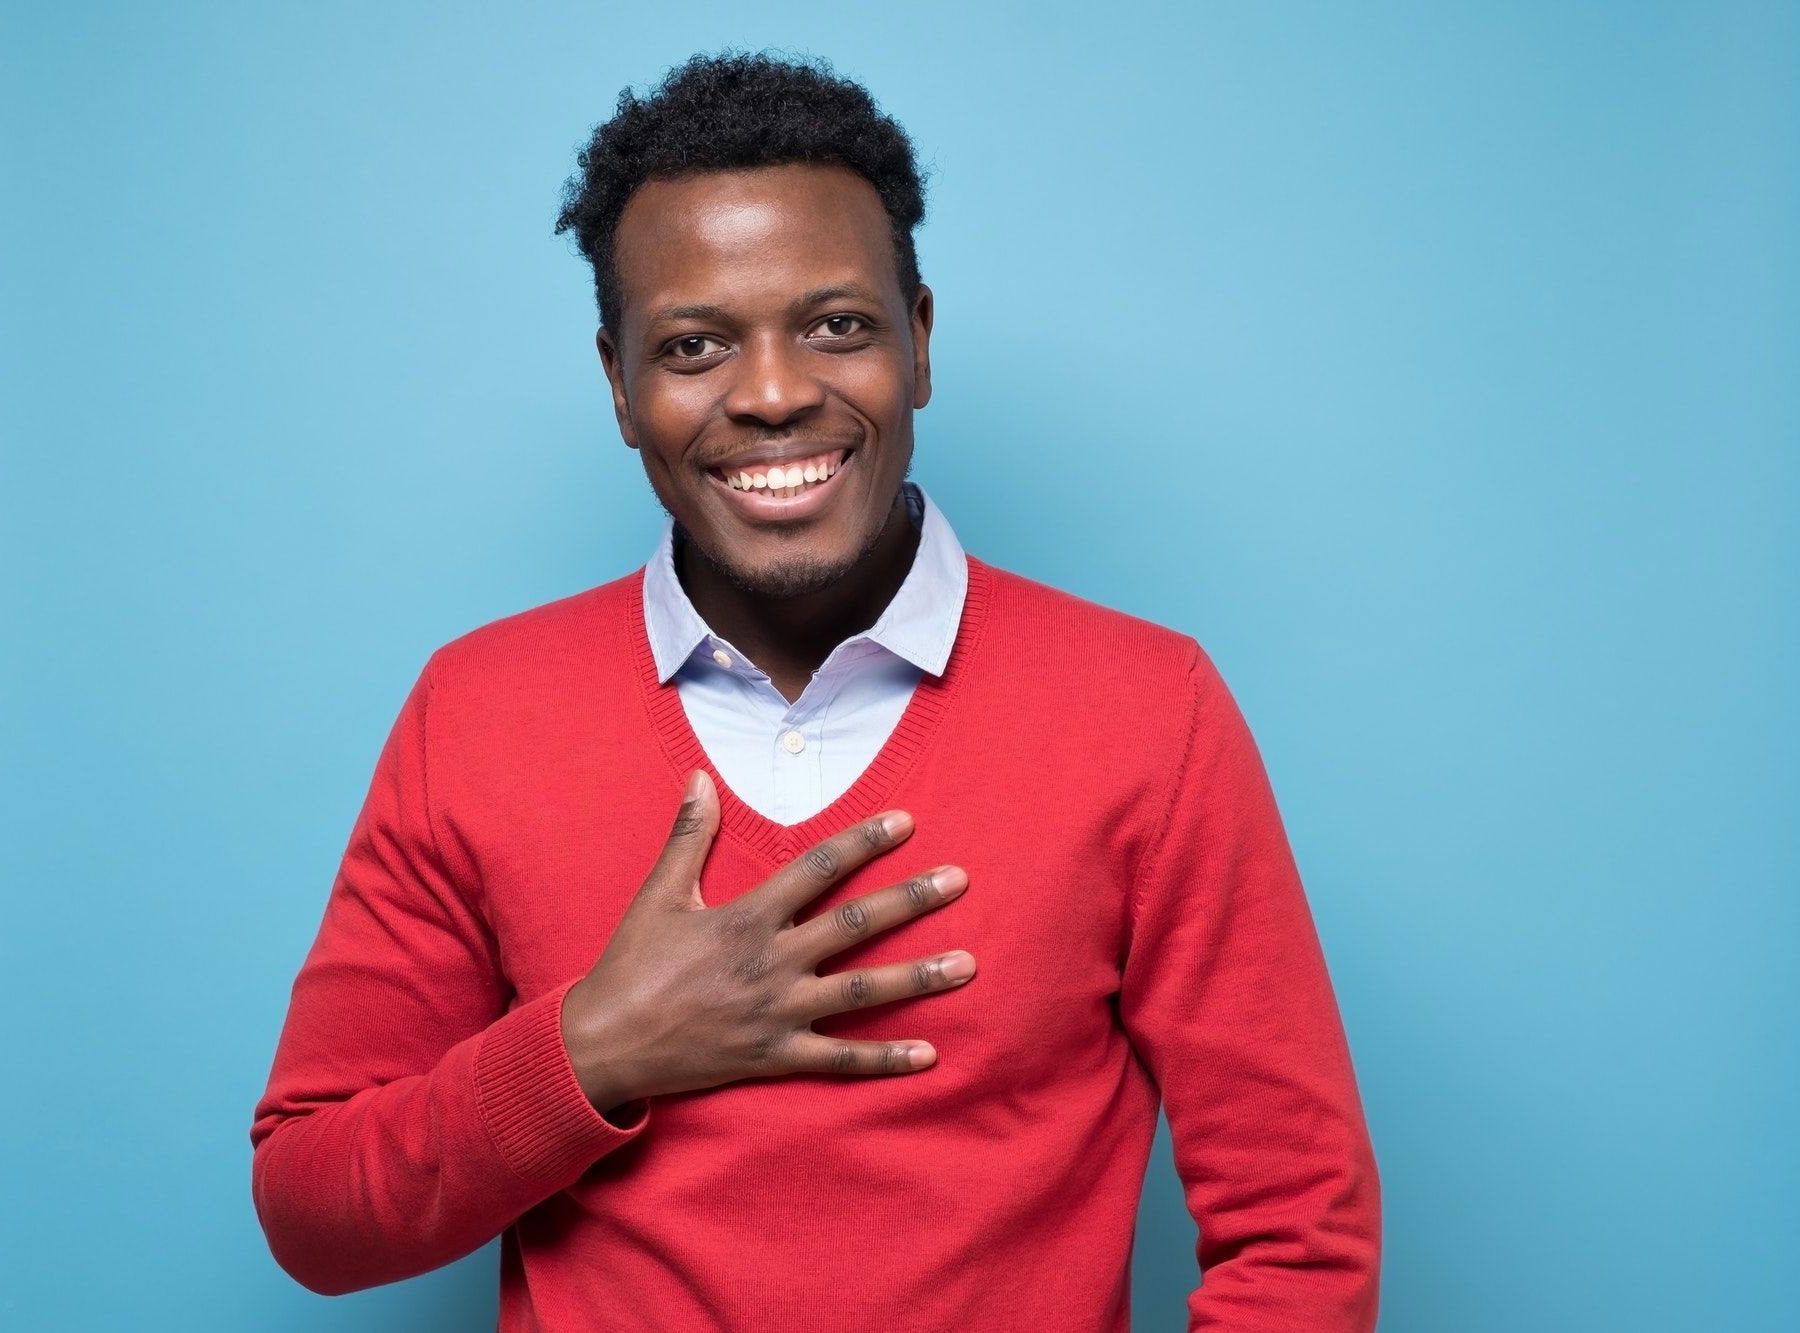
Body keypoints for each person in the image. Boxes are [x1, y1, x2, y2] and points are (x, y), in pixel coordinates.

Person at [250, 49, 1382, 1331]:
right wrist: (594, 1047)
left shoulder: (1145, 708)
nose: (776, 392)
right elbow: (311, 1208)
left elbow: (1297, 1227)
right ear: (619, 386)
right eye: (693, 344)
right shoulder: (476, 711)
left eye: (836, 324)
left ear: (921, 340)